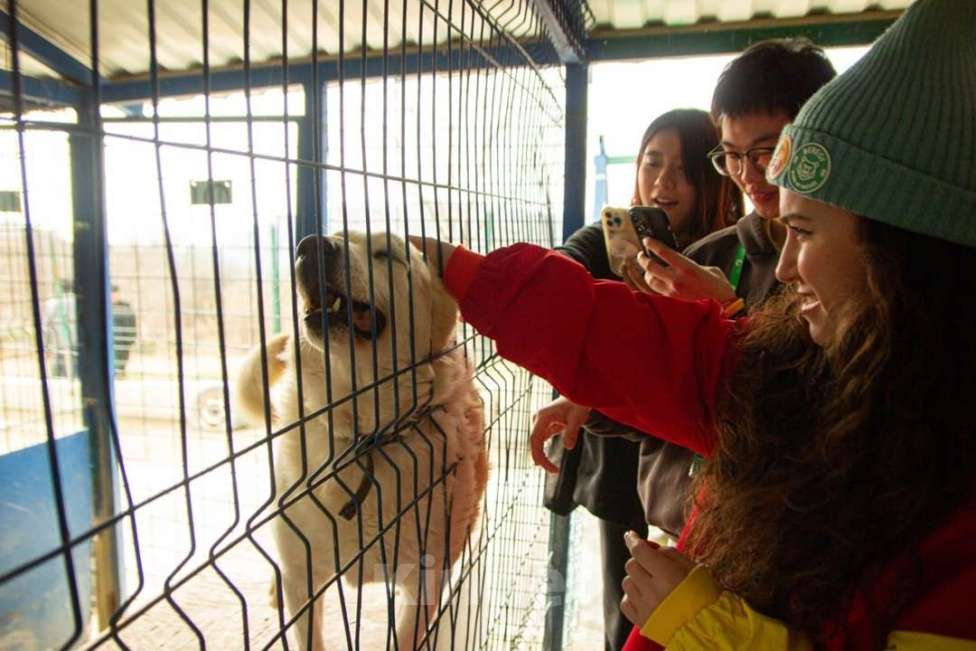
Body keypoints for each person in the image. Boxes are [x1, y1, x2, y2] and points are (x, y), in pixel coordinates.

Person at [412, 0, 976, 647]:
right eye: (733, 155)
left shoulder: (951, 496)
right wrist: (455, 270)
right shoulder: (806, 371)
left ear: (900, 252)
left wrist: (711, 625)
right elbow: (626, 339)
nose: (788, 267)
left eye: (805, 230)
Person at [533, 39, 837, 542]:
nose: (747, 174)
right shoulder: (707, 258)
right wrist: (598, 400)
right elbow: (664, 398)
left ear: (819, 135)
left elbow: (814, 411)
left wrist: (727, 313)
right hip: (676, 532)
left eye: (765, 151)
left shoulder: (851, 261)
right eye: (732, 155)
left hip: (778, 541)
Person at [539, 108, 741, 651]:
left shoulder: (726, 255)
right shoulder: (613, 237)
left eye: (683, 168)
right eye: (653, 161)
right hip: (616, 465)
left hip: (692, 475)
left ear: (711, 179)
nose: (663, 180)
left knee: (688, 614)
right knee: (625, 610)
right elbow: (559, 269)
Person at [43, 278, 77, 378]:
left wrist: (46, 345)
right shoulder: (78, 301)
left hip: (58, 339)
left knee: (59, 365)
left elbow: (46, 325)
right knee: (76, 363)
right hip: (76, 339)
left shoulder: (51, 303)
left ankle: (59, 381)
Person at [111, 284, 137, 377]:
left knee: (122, 358)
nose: (113, 296)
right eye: (111, 294)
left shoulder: (125, 307)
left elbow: (131, 323)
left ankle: (120, 372)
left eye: (115, 294)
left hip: (123, 340)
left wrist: (131, 338)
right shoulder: (105, 307)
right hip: (110, 340)